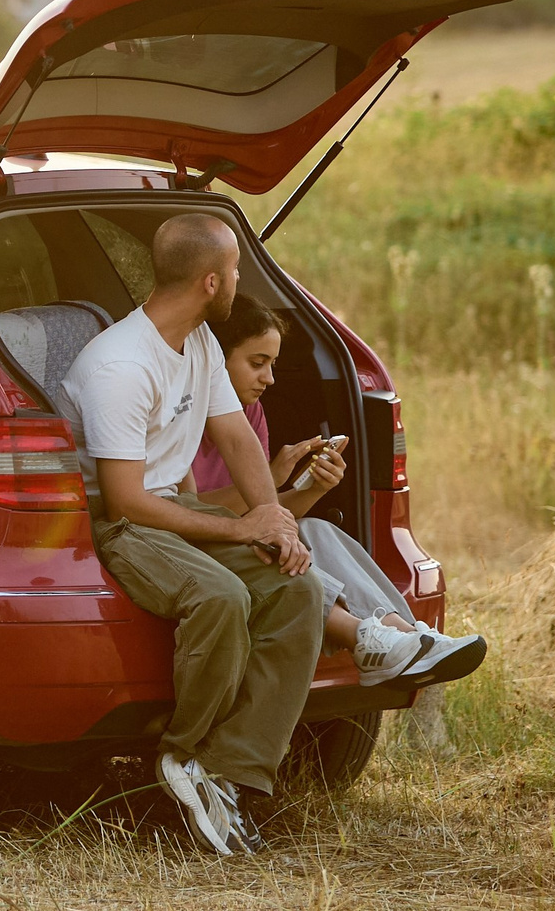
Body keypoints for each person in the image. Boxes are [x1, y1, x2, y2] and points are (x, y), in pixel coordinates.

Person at [63, 213, 323, 857]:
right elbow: (125, 498)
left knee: (298, 590)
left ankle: (229, 770)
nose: (240, 279)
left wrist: (276, 522)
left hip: (177, 509)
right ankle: (182, 756)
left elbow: (236, 437)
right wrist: (237, 526)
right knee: (222, 597)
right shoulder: (122, 364)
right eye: (235, 269)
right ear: (211, 280)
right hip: (123, 523)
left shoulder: (202, 344)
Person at [189, 295, 487, 689]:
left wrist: (313, 487)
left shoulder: (251, 414)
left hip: (246, 534)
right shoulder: (182, 417)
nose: (270, 379)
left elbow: (267, 510)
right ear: (214, 359)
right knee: (279, 542)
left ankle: (407, 635)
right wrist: (273, 477)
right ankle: (373, 640)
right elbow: (189, 511)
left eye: (272, 365)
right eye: (256, 363)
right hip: (201, 544)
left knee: (315, 528)